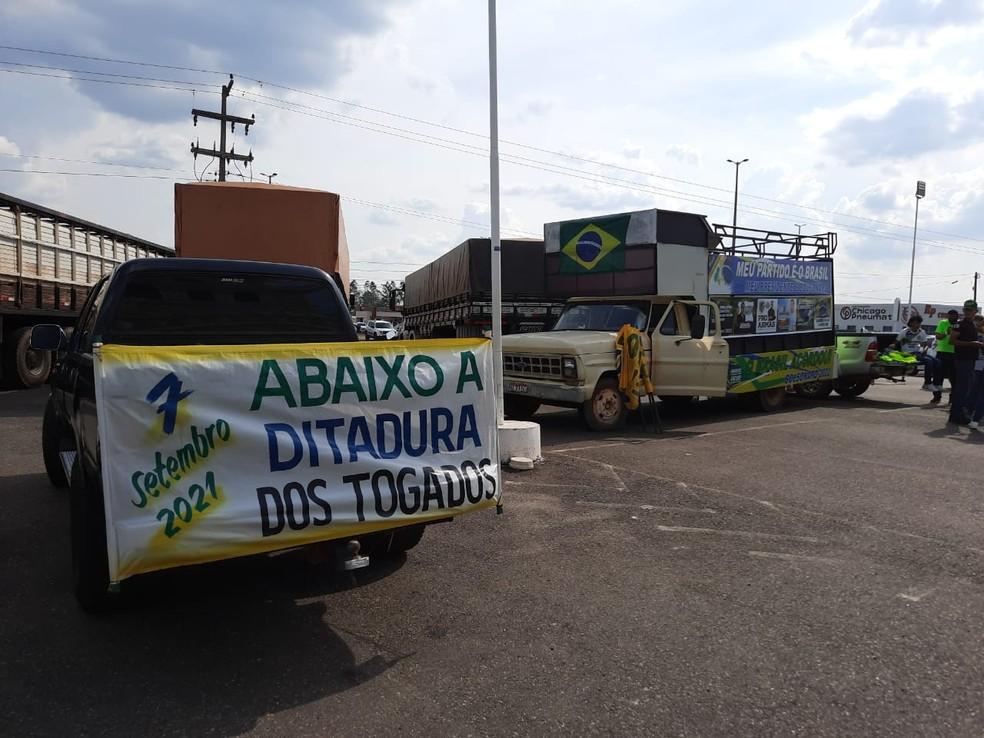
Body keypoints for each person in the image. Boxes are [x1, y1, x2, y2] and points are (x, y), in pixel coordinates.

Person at [947, 300, 983, 425]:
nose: (967, 312)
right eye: (965, 310)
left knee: (966, 387)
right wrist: (971, 344)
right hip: (963, 359)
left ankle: (956, 413)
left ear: (975, 311)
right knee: (962, 388)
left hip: (970, 359)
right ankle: (957, 414)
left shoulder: (973, 324)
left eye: (970, 310)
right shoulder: (959, 324)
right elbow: (952, 341)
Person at [895, 315, 942, 401]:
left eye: (919, 323)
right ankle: (927, 383)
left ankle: (937, 384)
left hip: (918, 353)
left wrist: (925, 350)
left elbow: (925, 345)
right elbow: (896, 343)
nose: (918, 325)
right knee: (929, 362)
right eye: (916, 323)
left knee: (937, 362)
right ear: (911, 323)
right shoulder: (904, 332)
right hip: (908, 353)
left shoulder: (921, 332)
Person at [935, 309, 958, 405]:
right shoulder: (943, 323)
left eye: (954, 316)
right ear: (948, 316)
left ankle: (952, 398)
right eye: (950, 315)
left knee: (954, 377)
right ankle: (936, 397)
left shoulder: (959, 325)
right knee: (938, 375)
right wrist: (946, 333)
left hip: (954, 353)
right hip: (942, 352)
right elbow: (938, 336)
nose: (952, 317)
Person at [967, 315, 984, 430]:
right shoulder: (977, 331)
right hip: (979, 363)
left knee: (979, 392)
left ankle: (975, 418)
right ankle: (973, 415)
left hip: (980, 364)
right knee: (976, 390)